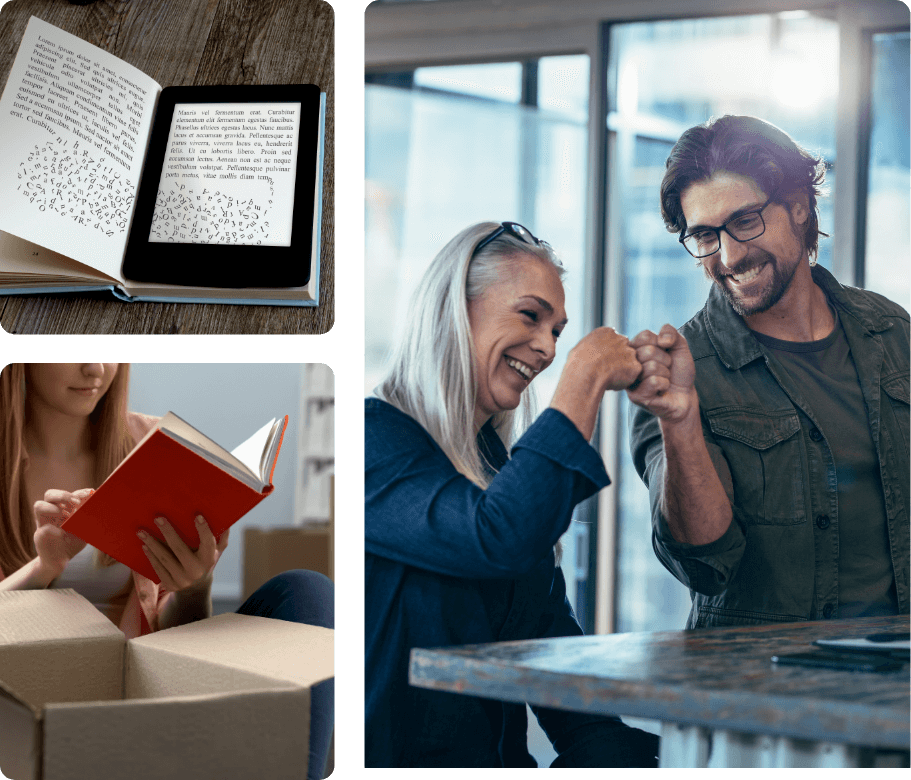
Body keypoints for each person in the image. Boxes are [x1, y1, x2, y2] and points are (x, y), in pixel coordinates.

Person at [365, 222, 659, 767]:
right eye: (530, 316)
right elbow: (496, 537)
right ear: (455, 308)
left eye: (558, 332)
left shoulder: (500, 472)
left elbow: (562, 673)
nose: (548, 348)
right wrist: (585, 374)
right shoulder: (372, 441)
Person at [628, 115, 910, 630]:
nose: (729, 256)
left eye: (745, 221)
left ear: (799, 206)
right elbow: (702, 562)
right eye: (705, 235)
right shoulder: (678, 375)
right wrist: (680, 421)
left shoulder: (894, 334)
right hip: (756, 677)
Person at [0, 363, 335, 780]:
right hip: (33, 693)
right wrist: (45, 567)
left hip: (148, 686)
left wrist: (194, 586)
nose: (96, 369)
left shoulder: (150, 444)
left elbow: (178, 635)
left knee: (306, 590)